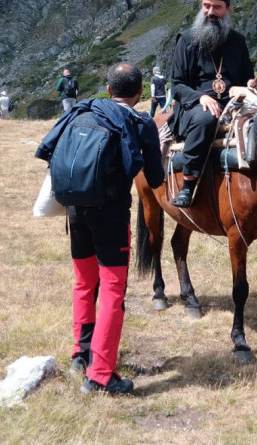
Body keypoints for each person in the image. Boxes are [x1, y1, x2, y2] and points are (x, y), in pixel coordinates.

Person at [36, 62, 163, 394]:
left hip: (75, 211)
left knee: (84, 282)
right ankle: (101, 374)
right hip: (111, 216)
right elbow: (155, 179)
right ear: (139, 94)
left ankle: (81, 353)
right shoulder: (140, 120)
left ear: (108, 90)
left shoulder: (82, 110)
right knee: (111, 291)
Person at [168, 0, 257, 207]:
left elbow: (248, 77)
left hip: (233, 104)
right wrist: (200, 98)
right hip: (194, 108)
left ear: (228, 8)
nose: (210, 12)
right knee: (207, 118)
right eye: (206, 6)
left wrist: (249, 85)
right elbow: (176, 85)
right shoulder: (187, 40)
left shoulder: (237, 41)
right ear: (201, 5)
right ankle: (188, 184)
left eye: (216, 7)